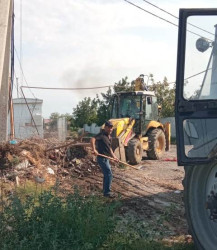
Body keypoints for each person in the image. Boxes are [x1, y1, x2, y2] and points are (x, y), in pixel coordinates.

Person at [91, 121, 119, 198]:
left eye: (111, 127)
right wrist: (94, 149)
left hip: (106, 159)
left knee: (107, 175)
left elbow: (109, 149)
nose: (110, 129)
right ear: (105, 127)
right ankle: (107, 192)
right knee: (109, 174)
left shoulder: (109, 137)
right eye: (109, 127)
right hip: (101, 158)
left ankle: (105, 191)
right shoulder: (101, 135)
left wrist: (114, 157)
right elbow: (92, 139)